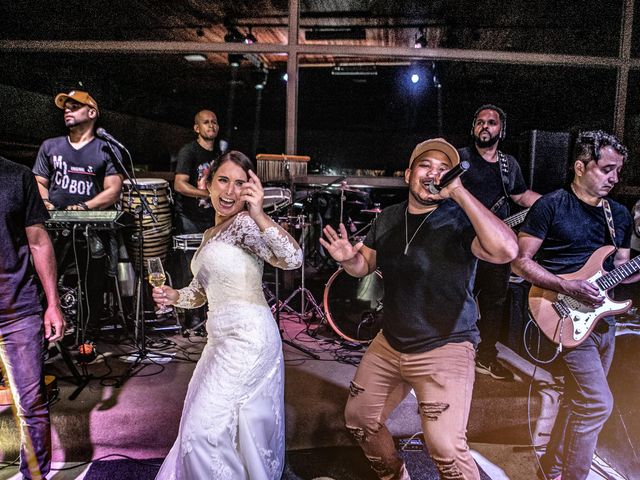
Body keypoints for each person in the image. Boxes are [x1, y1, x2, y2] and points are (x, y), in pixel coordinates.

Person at [320, 139, 518, 480]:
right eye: (427, 165)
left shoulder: (461, 218)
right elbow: (364, 265)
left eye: (444, 169)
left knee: (446, 449)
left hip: (447, 345)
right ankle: (396, 475)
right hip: (391, 342)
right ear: (409, 173)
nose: (435, 173)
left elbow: (505, 251)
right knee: (359, 421)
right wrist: (349, 258)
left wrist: (459, 194)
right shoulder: (389, 217)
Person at [152, 151, 302, 479]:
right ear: (207, 184)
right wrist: (174, 295)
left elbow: (292, 259)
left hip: (249, 338)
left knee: (203, 431)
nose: (230, 191)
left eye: (239, 183)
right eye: (223, 180)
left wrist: (260, 214)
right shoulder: (209, 236)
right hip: (217, 342)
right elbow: (200, 293)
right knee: (211, 427)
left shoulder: (246, 225)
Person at [512, 130, 638, 480]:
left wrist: (632, 272)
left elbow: (621, 271)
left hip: (602, 321)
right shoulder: (551, 205)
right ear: (580, 166)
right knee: (598, 403)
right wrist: (570, 286)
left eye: (618, 171)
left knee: (577, 401)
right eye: (606, 169)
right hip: (562, 313)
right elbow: (520, 262)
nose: (614, 178)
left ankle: (550, 470)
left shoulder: (619, 215)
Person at [459, 104, 541, 380]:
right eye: (480, 122)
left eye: (491, 122)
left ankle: (485, 357)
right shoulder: (461, 159)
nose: (485, 126)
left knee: (494, 301)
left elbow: (520, 196)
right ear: (473, 128)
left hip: (495, 248)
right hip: (462, 244)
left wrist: (551, 204)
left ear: (501, 131)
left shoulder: (509, 165)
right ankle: (451, 354)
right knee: (457, 298)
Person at [32, 90, 123, 328]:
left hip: (90, 230)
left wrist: (84, 207)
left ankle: (87, 337)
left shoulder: (105, 148)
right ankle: (45, 334)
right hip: (55, 228)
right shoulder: (51, 146)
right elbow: (39, 181)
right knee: (47, 283)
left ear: (92, 113)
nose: (67, 110)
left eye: (74, 106)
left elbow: (113, 189)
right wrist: (46, 203)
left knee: (91, 285)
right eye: (66, 107)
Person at [0, 155, 65, 480]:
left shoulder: (17, 175)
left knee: (31, 405)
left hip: (18, 308)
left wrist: (52, 303)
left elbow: (38, 242)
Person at [171, 109, 220, 328]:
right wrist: (207, 194)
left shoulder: (219, 156)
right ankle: (191, 318)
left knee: (213, 266)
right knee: (191, 267)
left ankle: (210, 315)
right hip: (190, 217)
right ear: (196, 128)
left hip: (213, 219)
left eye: (214, 122)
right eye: (206, 122)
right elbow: (179, 184)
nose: (211, 126)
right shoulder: (189, 152)